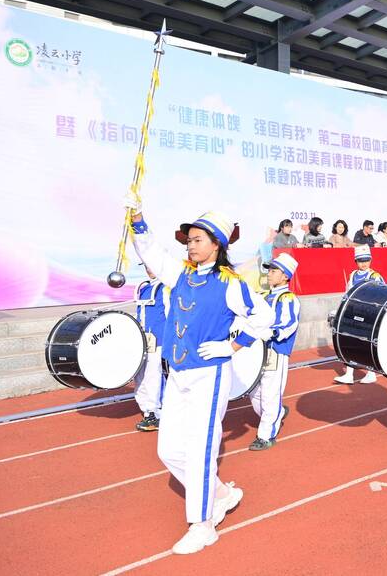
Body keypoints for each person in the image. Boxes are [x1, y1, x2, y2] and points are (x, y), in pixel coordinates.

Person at [126, 198, 273, 554]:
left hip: (210, 376)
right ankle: (221, 493)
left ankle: (202, 525)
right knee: (168, 451)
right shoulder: (179, 273)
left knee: (200, 451)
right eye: (189, 240)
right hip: (177, 375)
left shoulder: (231, 283)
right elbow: (150, 251)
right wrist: (138, 218)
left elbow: (264, 318)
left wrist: (234, 346)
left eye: (197, 240)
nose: (190, 245)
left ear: (217, 244)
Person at [239, 254, 301, 451]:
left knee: (270, 395)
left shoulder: (288, 298)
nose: (269, 274)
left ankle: (266, 435)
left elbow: (290, 323)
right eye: (269, 270)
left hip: (275, 351)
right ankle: (278, 413)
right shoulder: (265, 296)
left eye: (274, 271)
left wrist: (272, 332)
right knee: (255, 393)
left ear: (285, 276)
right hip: (258, 353)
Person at [335, 245, 384, 385]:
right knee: (350, 340)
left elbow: (381, 295)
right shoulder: (353, 275)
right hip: (354, 311)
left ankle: (371, 373)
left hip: (369, 314)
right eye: (361, 260)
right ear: (356, 261)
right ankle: (349, 374)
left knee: (368, 343)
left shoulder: (375, 276)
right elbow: (348, 292)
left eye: (367, 260)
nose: (364, 263)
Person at [133, 267, 168, 432]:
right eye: (146, 266)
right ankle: (148, 411)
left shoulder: (167, 287)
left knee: (154, 376)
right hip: (143, 340)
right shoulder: (144, 287)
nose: (150, 269)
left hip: (159, 340)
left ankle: (157, 413)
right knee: (140, 377)